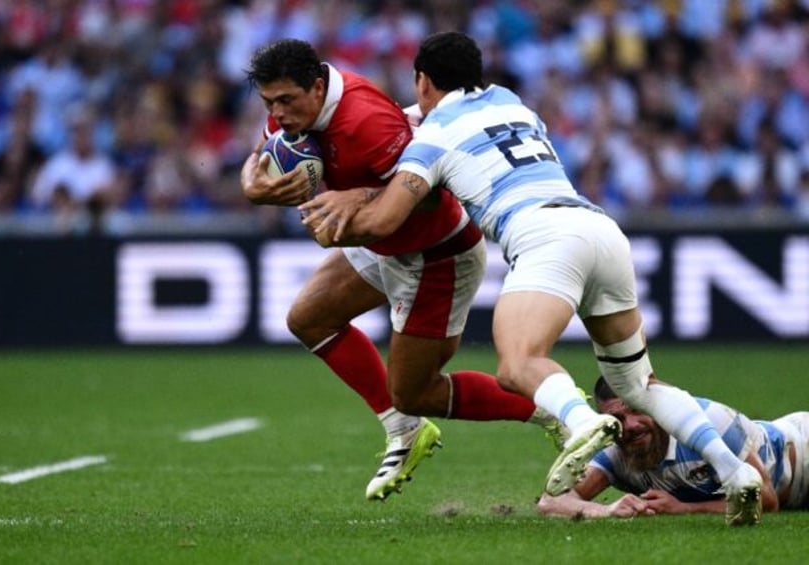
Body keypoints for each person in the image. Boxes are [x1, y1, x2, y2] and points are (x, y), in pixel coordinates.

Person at [299, 31, 764, 525]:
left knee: (518, 364)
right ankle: (735, 472)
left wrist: (342, 206)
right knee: (638, 384)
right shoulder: (509, 101)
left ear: (423, 80)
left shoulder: (433, 138)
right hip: (602, 230)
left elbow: (385, 221)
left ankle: (583, 421)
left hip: (545, 238)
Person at [240, 38, 553, 502]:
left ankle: (555, 409)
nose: (279, 113)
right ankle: (403, 430)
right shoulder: (293, 113)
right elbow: (265, 152)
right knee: (308, 319)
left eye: (286, 100)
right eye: (270, 103)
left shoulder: (367, 120)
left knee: (417, 391)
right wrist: (252, 184)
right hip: (384, 245)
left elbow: (427, 193)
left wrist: (358, 195)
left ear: (318, 84)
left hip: (435, 252)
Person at [537, 376, 809, 521]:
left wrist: (683, 508)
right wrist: (606, 511)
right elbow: (551, 502)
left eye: (637, 410)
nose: (630, 425)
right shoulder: (613, 450)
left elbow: (767, 500)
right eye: (617, 419)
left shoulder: (707, 420)